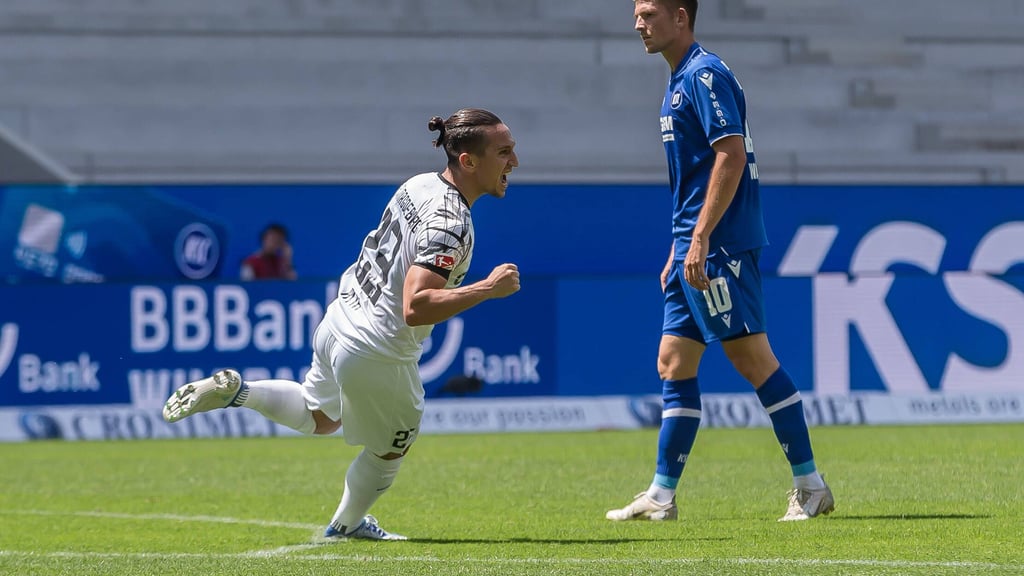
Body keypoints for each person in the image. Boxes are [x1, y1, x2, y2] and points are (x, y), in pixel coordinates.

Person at [163, 108, 521, 540]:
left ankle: (239, 391)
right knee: (392, 446)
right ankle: (345, 526)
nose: (513, 162)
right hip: (377, 349)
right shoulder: (451, 223)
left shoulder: (419, 185)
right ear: (468, 161)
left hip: (341, 318)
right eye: (504, 152)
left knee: (319, 417)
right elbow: (416, 305)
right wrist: (487, 288)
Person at [606, 0, 835, 523]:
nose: (637, 23)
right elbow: (693, 176)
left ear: (680, 16)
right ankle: (661, 496)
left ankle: (811, 485)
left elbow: (730, 154)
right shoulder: (678, 81)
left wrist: (703, 236)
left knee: (752, 360)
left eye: (648, 13)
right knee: (673, 362)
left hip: (720, 245)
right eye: (636, 14)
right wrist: (679, 242)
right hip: (693, 244)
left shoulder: (704, 73)